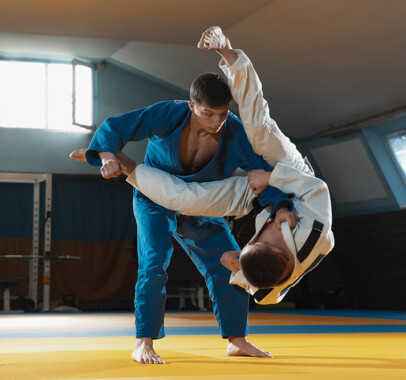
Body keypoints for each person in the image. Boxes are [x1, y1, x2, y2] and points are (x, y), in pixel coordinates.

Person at [72, 26, 334, 305]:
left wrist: (239, 268)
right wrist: (272, 179)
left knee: (184, 199)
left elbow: (267, 295)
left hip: (262, 195)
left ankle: (130, 167)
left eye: (254, 242)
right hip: (293, 176)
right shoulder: (314, 234)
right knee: (257, 128)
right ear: (283, 253)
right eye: (262, 241)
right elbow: (317, 188)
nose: (263, 233)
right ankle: (228, 52)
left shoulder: (280, 268)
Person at [74, 28, 290, 364]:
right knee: (154, 264)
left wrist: (282, 208)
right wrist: (106, 156)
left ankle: (236, 338)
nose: (216, 121)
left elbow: (267, 179)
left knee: (229, 263)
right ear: (192, 105)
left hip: (202, 203)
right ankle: (143, 341)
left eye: (222, 113)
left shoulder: (235, 133)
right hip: (154, 198)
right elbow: (117, 126)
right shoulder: (170, 114)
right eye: (207, 114)